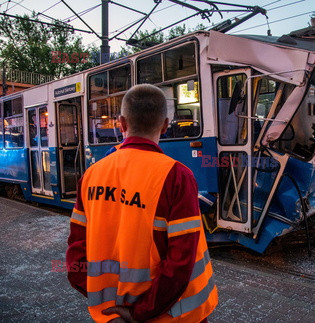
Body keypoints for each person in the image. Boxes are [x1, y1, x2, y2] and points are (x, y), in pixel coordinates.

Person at [66, 84, 218, 323]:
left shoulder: (91, 175)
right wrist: (140, 312)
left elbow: (76, 252)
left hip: (109, 314)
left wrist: (106, 305)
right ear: (166, 126)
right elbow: (180, 262)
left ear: (121, 123)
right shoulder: (177, 176)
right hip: (172, 316)